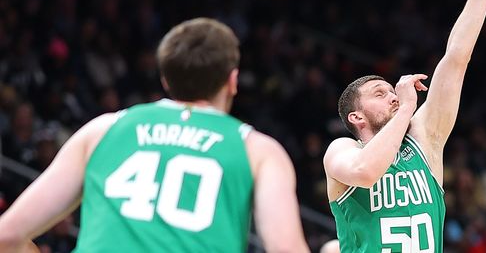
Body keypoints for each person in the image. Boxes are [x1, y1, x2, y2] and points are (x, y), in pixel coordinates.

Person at [0, 17, 310, 253]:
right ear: (232, 80)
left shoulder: (102, 130)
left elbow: (8, 236)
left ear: (165, 79)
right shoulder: (259, 151)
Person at [324, 0, 486, 252]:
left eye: (392, 91)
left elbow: (456, 59)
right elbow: (367, 172)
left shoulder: (425, 139)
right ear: (356, 117)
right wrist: (407, 108)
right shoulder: (342, 151)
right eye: (379, 94)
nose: (393, 97)